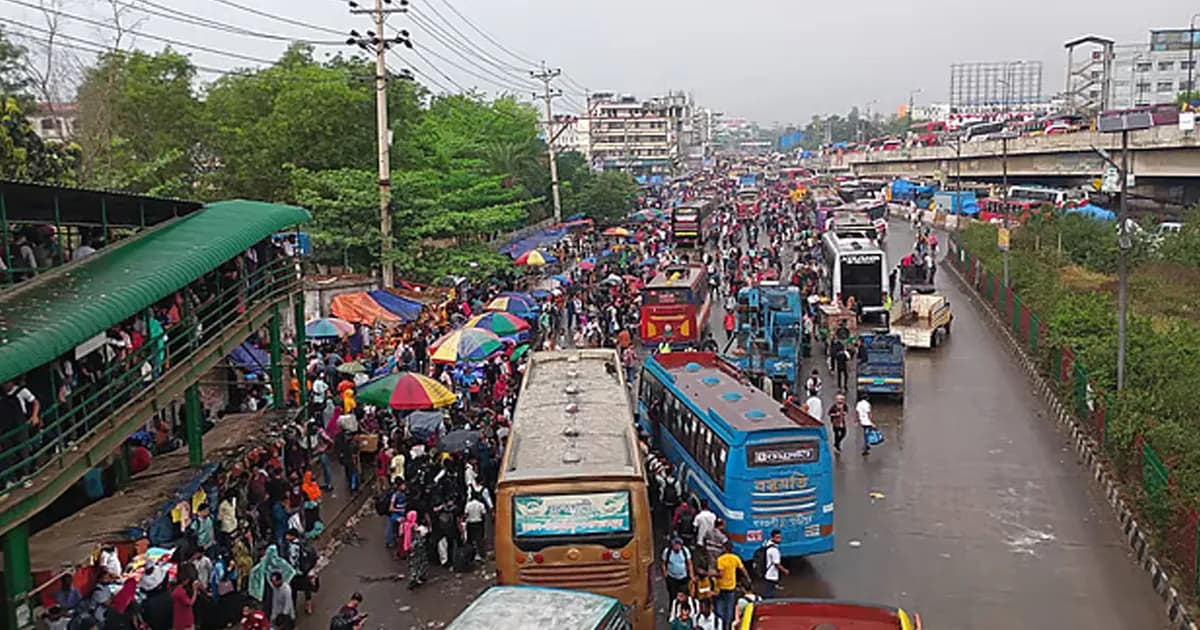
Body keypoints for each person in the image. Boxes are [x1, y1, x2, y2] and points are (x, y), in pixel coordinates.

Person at [714, 541, 750, 630]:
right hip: (731, 587)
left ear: (724, 548)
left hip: (720, 587)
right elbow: (743, 569)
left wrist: (711, 574)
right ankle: (728, 627)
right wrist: (748, 578)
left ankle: (720, 626)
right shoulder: (735, 558)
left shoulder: (720, 559)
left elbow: (720, 574)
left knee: (720, 608)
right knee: (729, 609)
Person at [760, 529, 789, 599]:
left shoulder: (768, 544)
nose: (779, 539)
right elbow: (777, 564)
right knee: (769, 594)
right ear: (773, 538)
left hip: (767, 574)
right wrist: (785, 570)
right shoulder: (774, 550)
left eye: (780, 537)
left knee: (768, 590)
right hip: (771, 575)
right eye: (777, 537)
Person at [384, 480, 407, 549]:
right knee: (390, 528)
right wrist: (401, 510)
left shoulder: (404, 494)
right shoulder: (395, 495)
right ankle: (389, 541)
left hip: (400, 515)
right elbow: (391, 509)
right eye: (403, 485)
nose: (405, 486)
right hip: (394, 515)